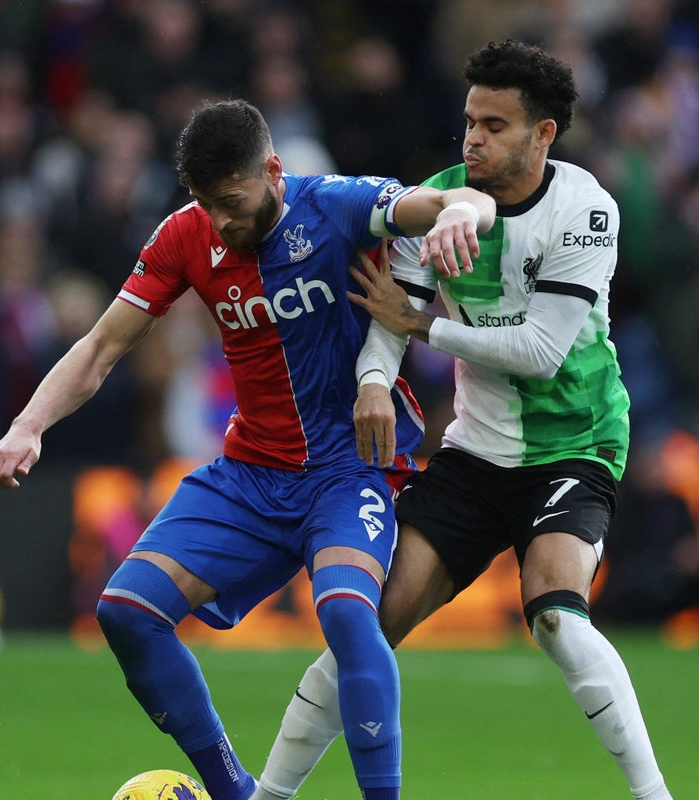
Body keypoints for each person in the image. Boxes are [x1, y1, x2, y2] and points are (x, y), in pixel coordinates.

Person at [0, 99, 496, 800]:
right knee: (126, 612)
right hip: (251, 473)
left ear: (273, 172)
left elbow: (449, 197)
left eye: (231, 199)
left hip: (349, 469)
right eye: (204, 203)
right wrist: (27, 426)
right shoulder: (183, 238)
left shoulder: (337, 205)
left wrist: (464, 212)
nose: (220, 220)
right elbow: (101, 346)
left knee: (347, 614)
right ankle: (235, 793)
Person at [251, 41, 673, 800]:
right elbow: (390, 309)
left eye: (496, 125)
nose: (473, 138)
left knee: (556, 617)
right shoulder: (435, 202)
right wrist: (375, 379)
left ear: (543, 135)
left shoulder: (585, 210)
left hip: (576, 442)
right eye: (470, 120)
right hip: (476, 450)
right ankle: (266, 795)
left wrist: (423, 332)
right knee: (364, 633)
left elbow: (540, 351)